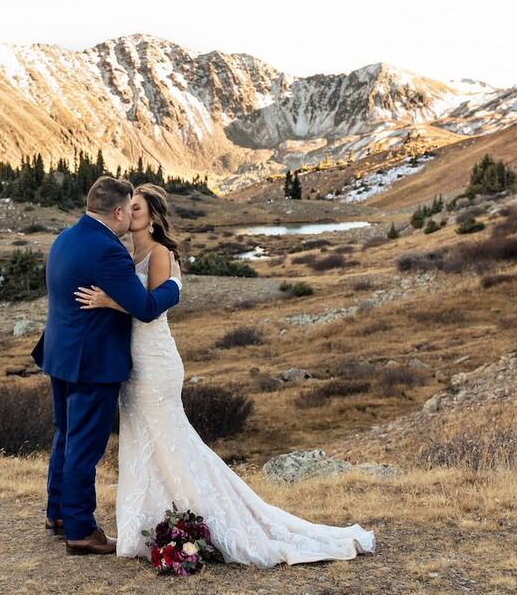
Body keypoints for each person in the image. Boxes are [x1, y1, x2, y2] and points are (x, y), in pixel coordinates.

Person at [74, 183, 376, 566]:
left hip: (154, 360)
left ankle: (203, 521)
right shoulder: (128, 253)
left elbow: (148, 308)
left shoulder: (159, 253)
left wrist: (109, 301)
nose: (128, 212)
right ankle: (153, 524)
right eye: (127, 206)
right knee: (144, 441)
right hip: (133, 363)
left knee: (171, 441)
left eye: (137, 207)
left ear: (152, 217)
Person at [32, 176, 182, 555]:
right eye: (128, 208)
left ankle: (59, 514)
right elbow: (145, 307)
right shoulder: (108, 250)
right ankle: (81, 530)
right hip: (92, 362)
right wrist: (175, 286)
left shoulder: (66, 238)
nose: (130, 214)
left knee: (65, 435)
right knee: (84, 446)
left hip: (61, 355)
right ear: (117, 212)